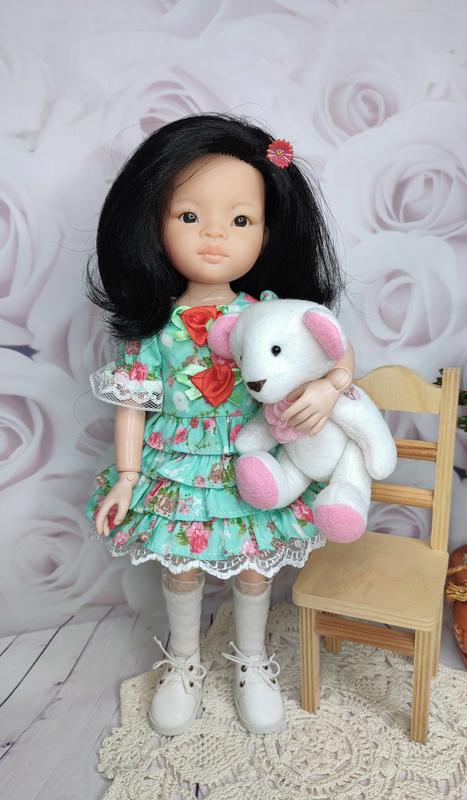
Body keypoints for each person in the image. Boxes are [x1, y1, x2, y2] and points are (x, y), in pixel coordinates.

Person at [84, 113, 354, 737]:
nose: (213, 236)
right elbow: (134, 405)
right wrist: (127, 477)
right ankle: (183, 661)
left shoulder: (270, 314)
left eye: (240, 220)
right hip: (178, 466)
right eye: (188, 216)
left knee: (254, 564)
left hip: (254, 461)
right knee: (181, 565)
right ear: (153, 224)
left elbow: (335, 348)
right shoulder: (153, 328)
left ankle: (251, 661)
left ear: (267, 232)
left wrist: (330, 386)